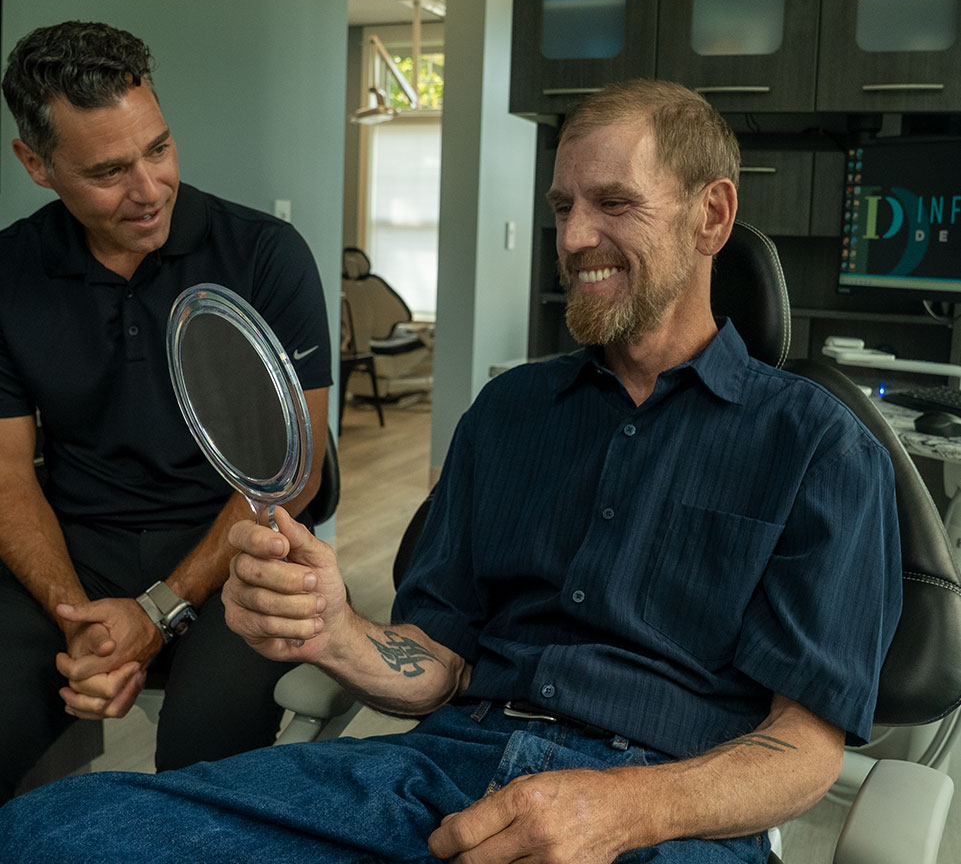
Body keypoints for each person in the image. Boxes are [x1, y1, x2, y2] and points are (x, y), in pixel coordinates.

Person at [0, 79, 901, 863]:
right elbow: (439, 668)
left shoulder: (818, 447)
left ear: (711, 215)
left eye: (614, 204)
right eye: (560, 208)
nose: (575, 237)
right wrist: (336, 631)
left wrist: (622, 807)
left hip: (662, 814)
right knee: (49, 834)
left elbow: (805, 749)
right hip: (440, 773)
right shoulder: (508, 416)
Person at [0, 21, 331, 802]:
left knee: (199, 772)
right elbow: (9, 478)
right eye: (109, 171)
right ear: (37, 165)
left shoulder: (264, 254)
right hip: (79, 550)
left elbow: (294, 472)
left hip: (239, 545)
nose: (149, 189)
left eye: (158, 148)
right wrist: (74, 613)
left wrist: (157, 612)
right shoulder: (9, 272)